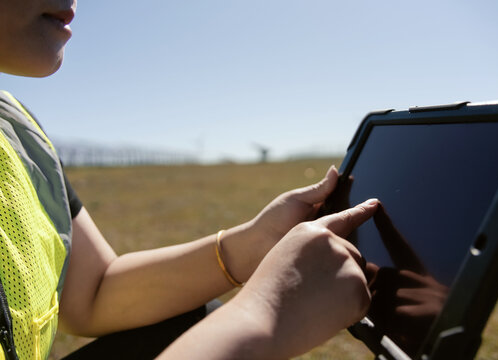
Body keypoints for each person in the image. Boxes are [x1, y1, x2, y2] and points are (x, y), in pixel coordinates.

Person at [0, 0, 378, 359]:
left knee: (195, 321)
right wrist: (265, 316)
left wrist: (251, 244)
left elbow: (93, 294)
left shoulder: (19, 132)